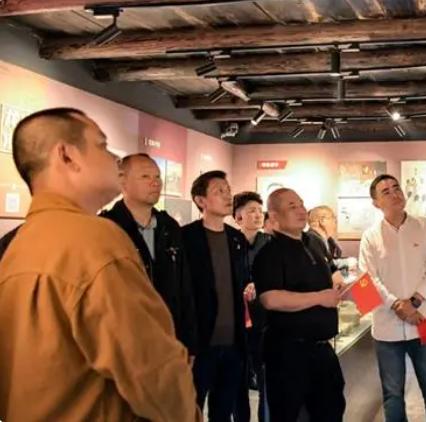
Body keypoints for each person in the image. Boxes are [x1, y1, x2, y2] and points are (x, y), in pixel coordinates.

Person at [0, 108, 199, 421]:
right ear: (66, 155)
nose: (115, 159)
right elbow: (151, 369)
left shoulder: (17, 245)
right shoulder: (95, 239)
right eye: (102, 146)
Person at [359, 174, 426, 422]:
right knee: (392, 395)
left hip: (425, 320)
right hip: (386, 328)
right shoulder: (370, 236)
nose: (394, 193)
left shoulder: (425, 226)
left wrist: (414, 302)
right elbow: (368, 279)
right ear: (376, 203)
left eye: (396, 188)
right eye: (386, 192)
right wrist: (396, 305)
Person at [253, 188, 346, 422]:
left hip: (322, 349)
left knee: (331, 410)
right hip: (288, 352)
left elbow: (330, 278)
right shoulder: (270, 252)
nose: (301, 210)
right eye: (292, 206)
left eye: (302, 204)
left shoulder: (312, 243)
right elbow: (270, 299)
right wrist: (319, 297)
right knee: (287, 413)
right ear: (274, 216)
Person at [101, 153, 197, 355]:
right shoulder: (107, 227)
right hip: (124, 344)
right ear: (122, 181)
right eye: (145, 176)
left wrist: (189, 344)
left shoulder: (169, 227)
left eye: (158, 176)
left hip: (168, 340)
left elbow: (185, 287)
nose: (155, 183)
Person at [182, 170, 250, 422]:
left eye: (228, 190)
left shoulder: (236, 238)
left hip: (233, 342)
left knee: (223, 410)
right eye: (219, 191)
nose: (227, 195)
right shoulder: (185, 237)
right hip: (200, 344)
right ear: (201, 200)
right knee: (192, 408)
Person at [233, 190, 272, 422]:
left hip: (264, 320)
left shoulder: (270, 243)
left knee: (264, 374)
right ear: (238, 217)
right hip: (235, 320)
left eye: (260, 211)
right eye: (251, 211)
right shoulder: (230, 242)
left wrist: (259, 284)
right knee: (237, 377)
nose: (258, 215)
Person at [307, 205, 357, 275]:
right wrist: (346, 268)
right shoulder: (312, 240)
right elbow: (322, 272)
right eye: (333, 218)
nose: (335, 223)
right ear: (322, 220)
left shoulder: (323, 240)